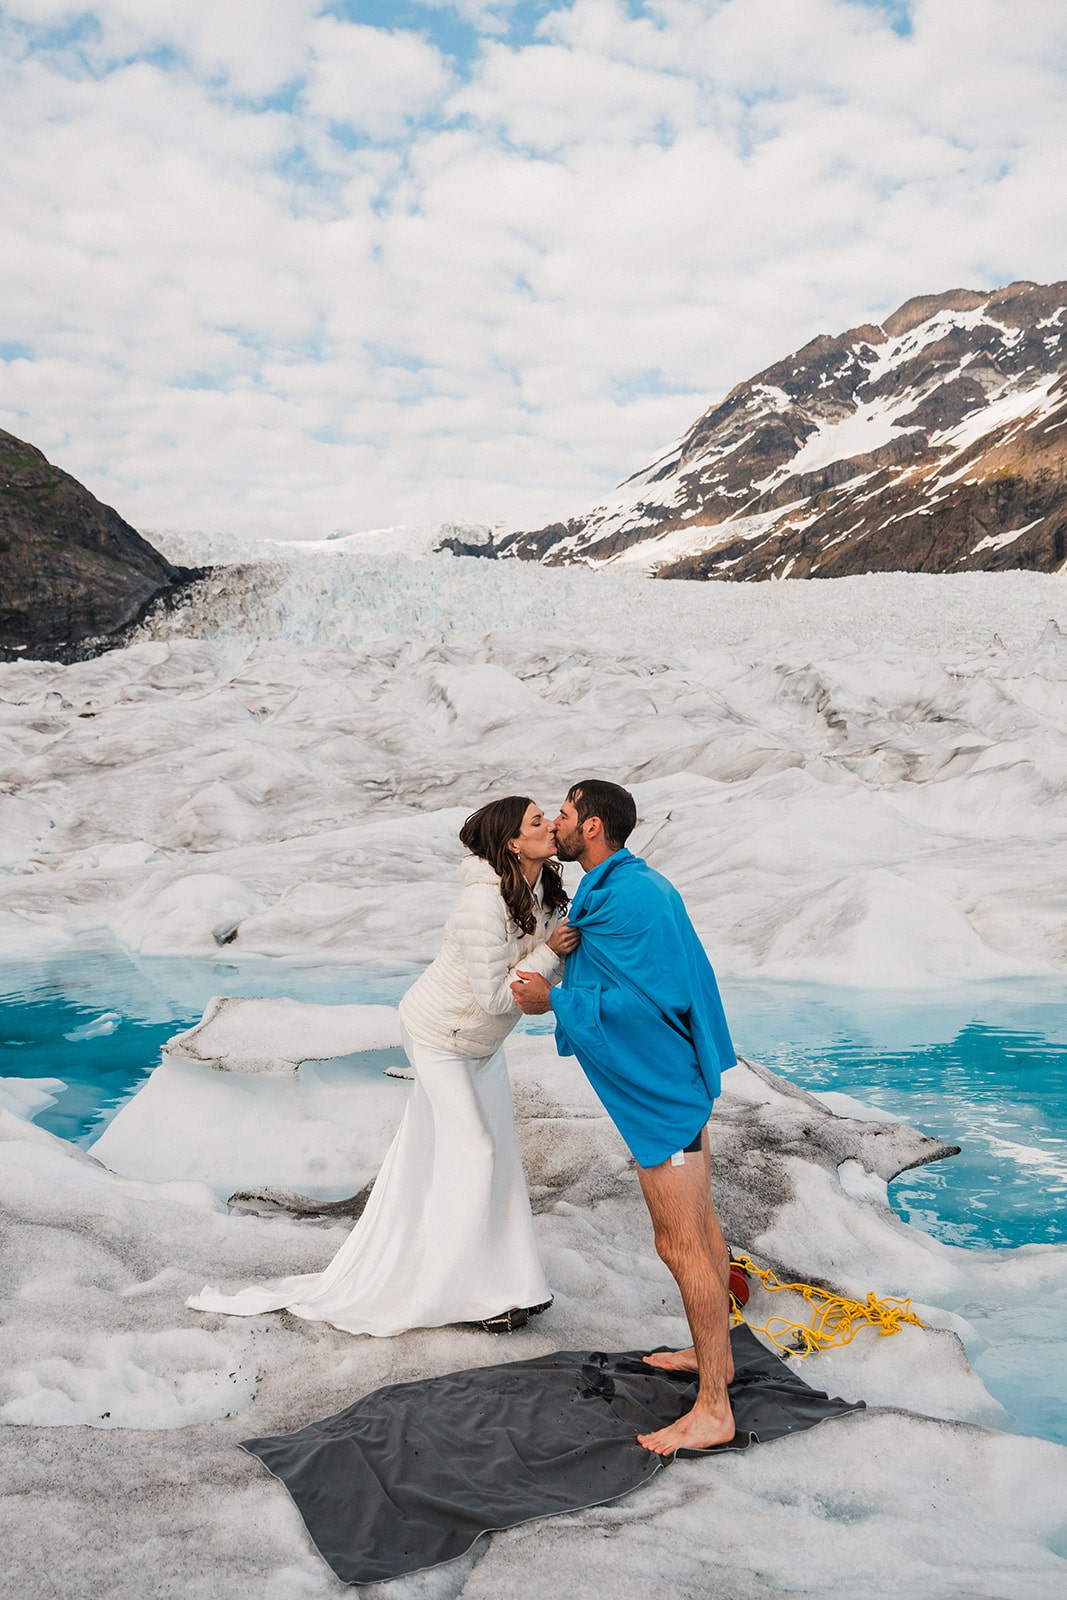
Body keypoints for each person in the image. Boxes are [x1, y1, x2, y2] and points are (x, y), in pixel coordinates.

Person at [188, 796, 577, 1337]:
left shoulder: (542, 891)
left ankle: (511, 1286)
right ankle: (461, 1292)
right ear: (513, 842)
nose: (551, 826)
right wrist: (550, 953)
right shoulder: (479, 906)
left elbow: (541, 965)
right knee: (475, 1150)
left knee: (496, 1154)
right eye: (537, 821)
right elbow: (496, 996)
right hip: (440, 1036)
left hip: (481, 1044)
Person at [510, 779, 737, 1456]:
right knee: (702, 1230)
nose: (556, 820)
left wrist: (555, 1002)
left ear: (593, 827)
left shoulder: (632, 894)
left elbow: (656, 1001)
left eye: (567, 813)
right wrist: (565, 956)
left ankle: (714, 1411)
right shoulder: (611, 890)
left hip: (662, 1090)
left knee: (681, 1245)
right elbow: (622, 971)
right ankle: (711, 1361)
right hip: (667, 1085)